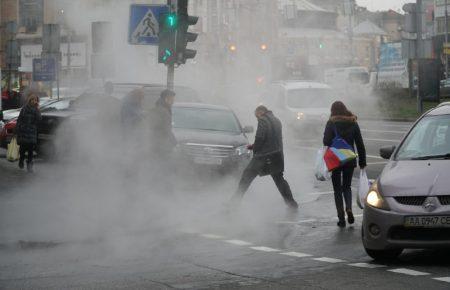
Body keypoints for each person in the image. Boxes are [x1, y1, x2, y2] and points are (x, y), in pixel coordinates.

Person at [230, 105, 299, 211]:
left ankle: (234, 203)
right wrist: (254, 145)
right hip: (276, 155)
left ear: (260, 112)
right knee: (279, 180)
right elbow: (272, 138)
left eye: (256, 116)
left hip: (263, 156)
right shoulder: (276, 120)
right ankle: (292, 204)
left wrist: (255, 149)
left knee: (246, 177)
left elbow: (260, 138)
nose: (257, 118)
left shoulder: (263, 120)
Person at [323, 101, 366, 228]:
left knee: (337, 189)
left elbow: (325, 141)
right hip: (349, 158)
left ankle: (341, 217)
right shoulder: (353, 122)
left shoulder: (331, 123)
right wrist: (362, 162)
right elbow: (360, 143)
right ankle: (349, 208)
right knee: (346, 187)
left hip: (335, 159)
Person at [149, 89, 177, 193]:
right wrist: (173, 142)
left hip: (159, 145)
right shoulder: (163, 111)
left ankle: (161, 190)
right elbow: (165, 130)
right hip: (160, 146)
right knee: (163, 169)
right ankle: (164, 192)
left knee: (160, 169)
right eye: (172, 99)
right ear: (167, 98)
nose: (173, 101)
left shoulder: (162, 109)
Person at [16, 93, 42, 172]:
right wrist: (18, 128)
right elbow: (19, 119)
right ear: (30, 100)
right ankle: (21, 160)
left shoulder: (36, 109)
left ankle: (29, 166)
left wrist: (38, 109)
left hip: (31, 132)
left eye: (36, 100)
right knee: (22, 150)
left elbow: (39, 119)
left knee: (30, 151)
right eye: (33, 100)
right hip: (23, 131)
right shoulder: (24, 108)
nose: (34, 101)